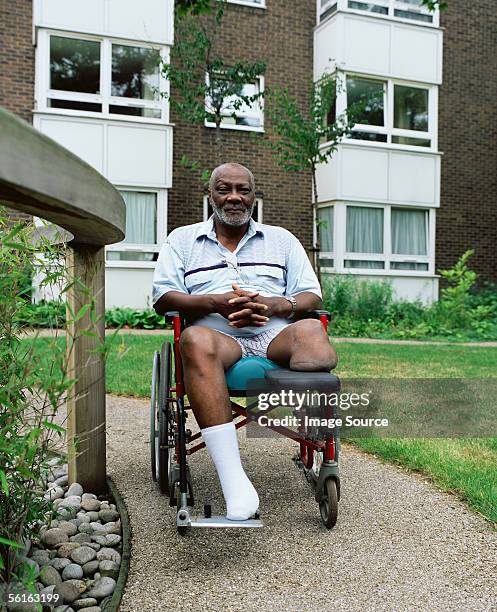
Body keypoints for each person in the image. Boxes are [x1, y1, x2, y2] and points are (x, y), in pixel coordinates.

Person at [153, 162, 337, 521]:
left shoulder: (281, 240)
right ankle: (234, 481)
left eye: (243, 190)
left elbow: (311, 296)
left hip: (275, 333)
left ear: (254, 196)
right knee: (192, 340)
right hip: (216, 337)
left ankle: (304, 404)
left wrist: (274, 305)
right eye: (225, 189)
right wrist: (215, 303)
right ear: (211, 195)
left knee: (315, 335)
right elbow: (163, 298)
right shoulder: (182, 240)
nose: (234, 197)